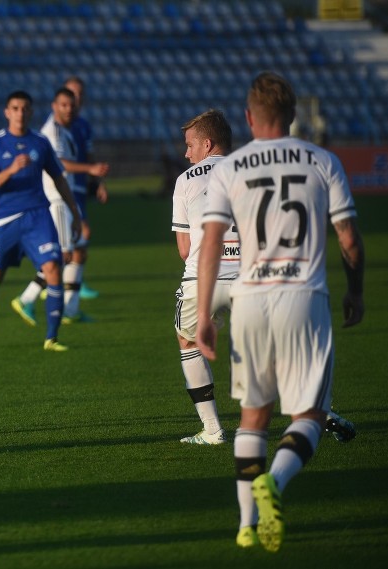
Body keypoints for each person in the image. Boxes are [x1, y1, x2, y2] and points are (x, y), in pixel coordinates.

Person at [196, 72, 365, 552]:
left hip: (249, 302)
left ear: (249, 118)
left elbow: (210, 245)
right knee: (308, 416)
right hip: (303, 298)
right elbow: (349, 239)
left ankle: (246, 525)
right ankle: (277, 481)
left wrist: (207, 311)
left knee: (253, 418)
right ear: (293, 116)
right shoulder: (323, 161)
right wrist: (356, 290)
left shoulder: (229, 169)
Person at [0, 90, 81, 352]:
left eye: (25, 108)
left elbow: (59, 178)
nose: (20, 113)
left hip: (38, 216)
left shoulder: (40, 142)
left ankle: (51, 338)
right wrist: (10, 170)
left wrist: (74, 213)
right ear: (7, 112)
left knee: (53, 268)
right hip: (4, 219)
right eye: (15, 108)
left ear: (31, 112)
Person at [11, 87, 109, 326]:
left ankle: (71, 309)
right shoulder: (52, 132)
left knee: (77, 251)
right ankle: (26, 299)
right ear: (54, 106)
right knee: (61, 256)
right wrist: (90, 169)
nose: (69, 109)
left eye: (72, 105)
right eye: (63, 104)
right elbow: (60, 164)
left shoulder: (63, 131)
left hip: (65, 200)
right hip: (56, 201)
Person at [171, 109, 235, 445]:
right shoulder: (252, 172)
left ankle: (212, 431)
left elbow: (184, 249)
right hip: (248, 277)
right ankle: (318, 412)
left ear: (207, 144)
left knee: (188, 341)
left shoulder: (186, 180)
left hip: (201, 279)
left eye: (190, 145)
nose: (186, 153)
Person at [63, 76, 109, 300]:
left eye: (80, 94)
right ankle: (64, 284)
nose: (76, 98)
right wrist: (89, 170)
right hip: (64, 187)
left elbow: (89, 155)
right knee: (81, 234)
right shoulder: (57, 125)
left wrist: (97, 180)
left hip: (79, 186)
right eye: (72, 93)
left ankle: (62, 283)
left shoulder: (83, 125)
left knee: (69, 239)